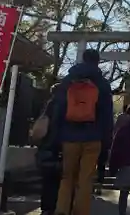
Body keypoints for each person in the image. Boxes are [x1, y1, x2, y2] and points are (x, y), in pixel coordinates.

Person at [51, 49, 114, 215]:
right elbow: (107, 117)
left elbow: (58, 109)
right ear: (97, 62)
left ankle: (62, 210)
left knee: (67, 177)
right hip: (93, 137)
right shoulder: (102, 84)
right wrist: (106, 142)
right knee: (85, 179)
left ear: (82, 59)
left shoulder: (68, 81)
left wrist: (56, 136)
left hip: (68, 136)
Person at [34, 84, 62, 215]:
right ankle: (57, 208)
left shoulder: (48, 106)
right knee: (59, 182)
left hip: (46, 149)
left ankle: (46, 209)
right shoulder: (67, 106)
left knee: (47, 182)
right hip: (61, 149)